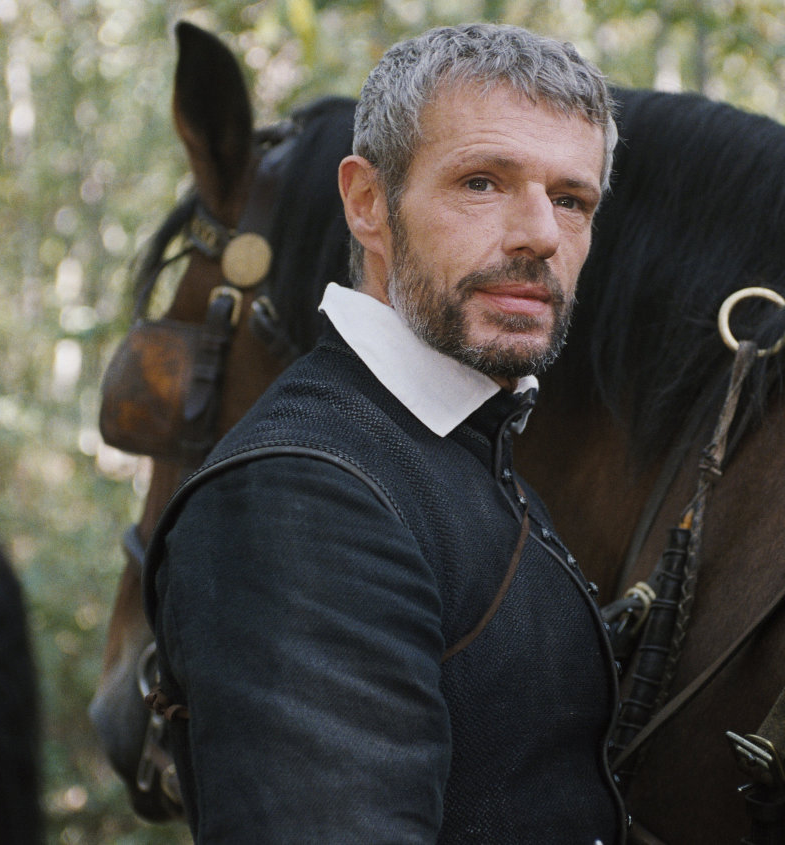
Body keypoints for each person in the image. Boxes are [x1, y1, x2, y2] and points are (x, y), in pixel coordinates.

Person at [143, 23, 626, 844]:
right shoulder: (301, 496)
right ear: (368, 203)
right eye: (482, 182)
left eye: (571, 199)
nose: (542, 234)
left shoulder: (465, 445)